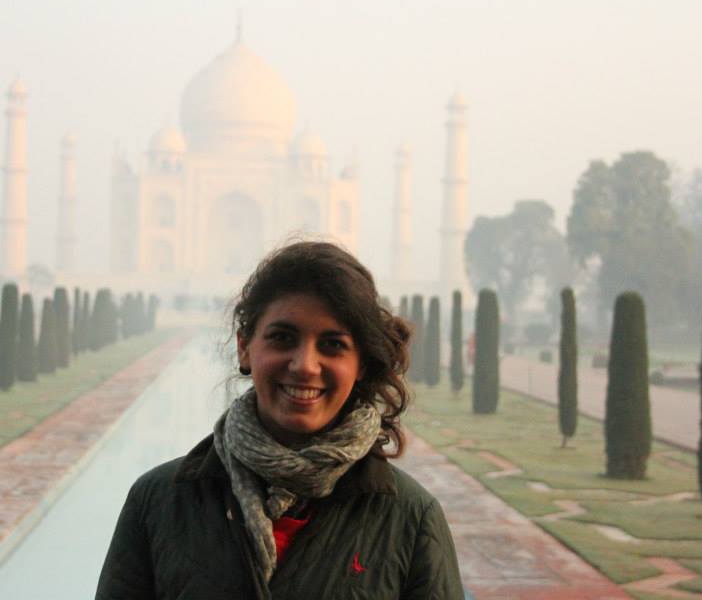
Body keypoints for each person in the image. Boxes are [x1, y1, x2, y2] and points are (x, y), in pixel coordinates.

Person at [96, 241, 464, 599]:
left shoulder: (409, 517)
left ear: (361, 363)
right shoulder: (160, 501)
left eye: (332, 344)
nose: (304, 365)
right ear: (245, 347)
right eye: (283, 338)